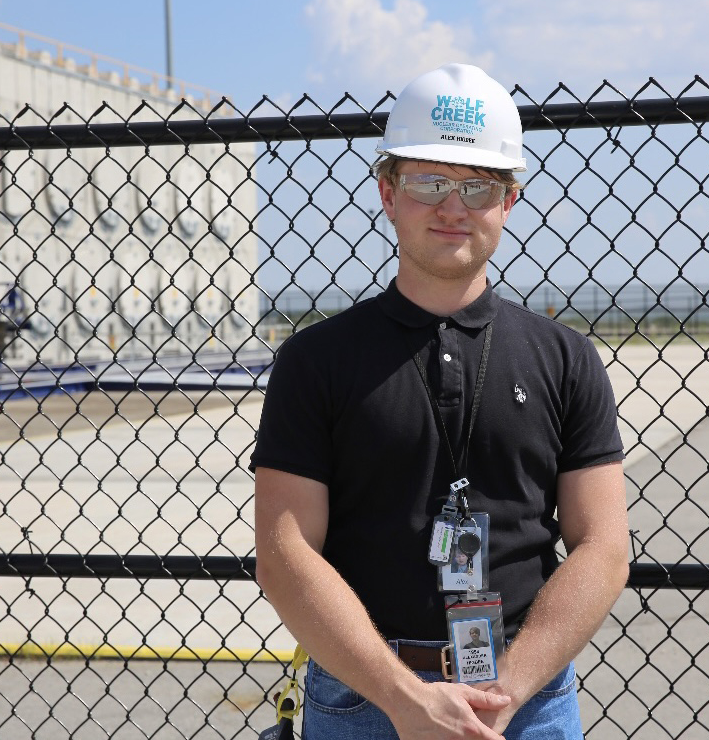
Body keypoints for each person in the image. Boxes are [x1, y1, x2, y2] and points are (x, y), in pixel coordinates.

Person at [252, 63, 629, 740]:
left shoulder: (565, 358)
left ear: (508, 201)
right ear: (388, 193)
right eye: (429, 182)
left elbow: (603, 546)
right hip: (365, 696)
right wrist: (404, 698)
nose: (453, 207)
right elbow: (283, 555)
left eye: (477, 185)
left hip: (526, 699)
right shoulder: (316, 361)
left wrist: (508, 690)